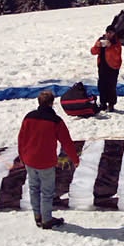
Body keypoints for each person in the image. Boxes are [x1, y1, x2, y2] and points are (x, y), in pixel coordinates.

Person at [18, 90, 80, 229]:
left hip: (29, 159)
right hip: (45, 162)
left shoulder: (29, 117)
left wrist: (22, 156)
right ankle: (47, 219)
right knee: (46, 192)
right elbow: (67, 142)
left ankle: (37, 216)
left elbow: (21, 139)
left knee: (34, 188)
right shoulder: (55, 121)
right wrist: (75, 159)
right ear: (52, 103)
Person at [90, 25, 122, 112]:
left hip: (113, 66)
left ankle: (111, 104)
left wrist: (110, 46)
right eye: (108, 32)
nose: (109, 34)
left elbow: (117, 53)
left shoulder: (116, 42)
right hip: (102, 66)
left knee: (111, 85)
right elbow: (93, 51)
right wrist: (98, 45)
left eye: (111, 33)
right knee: (102, 85)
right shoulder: (101, 39)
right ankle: (103, 103)